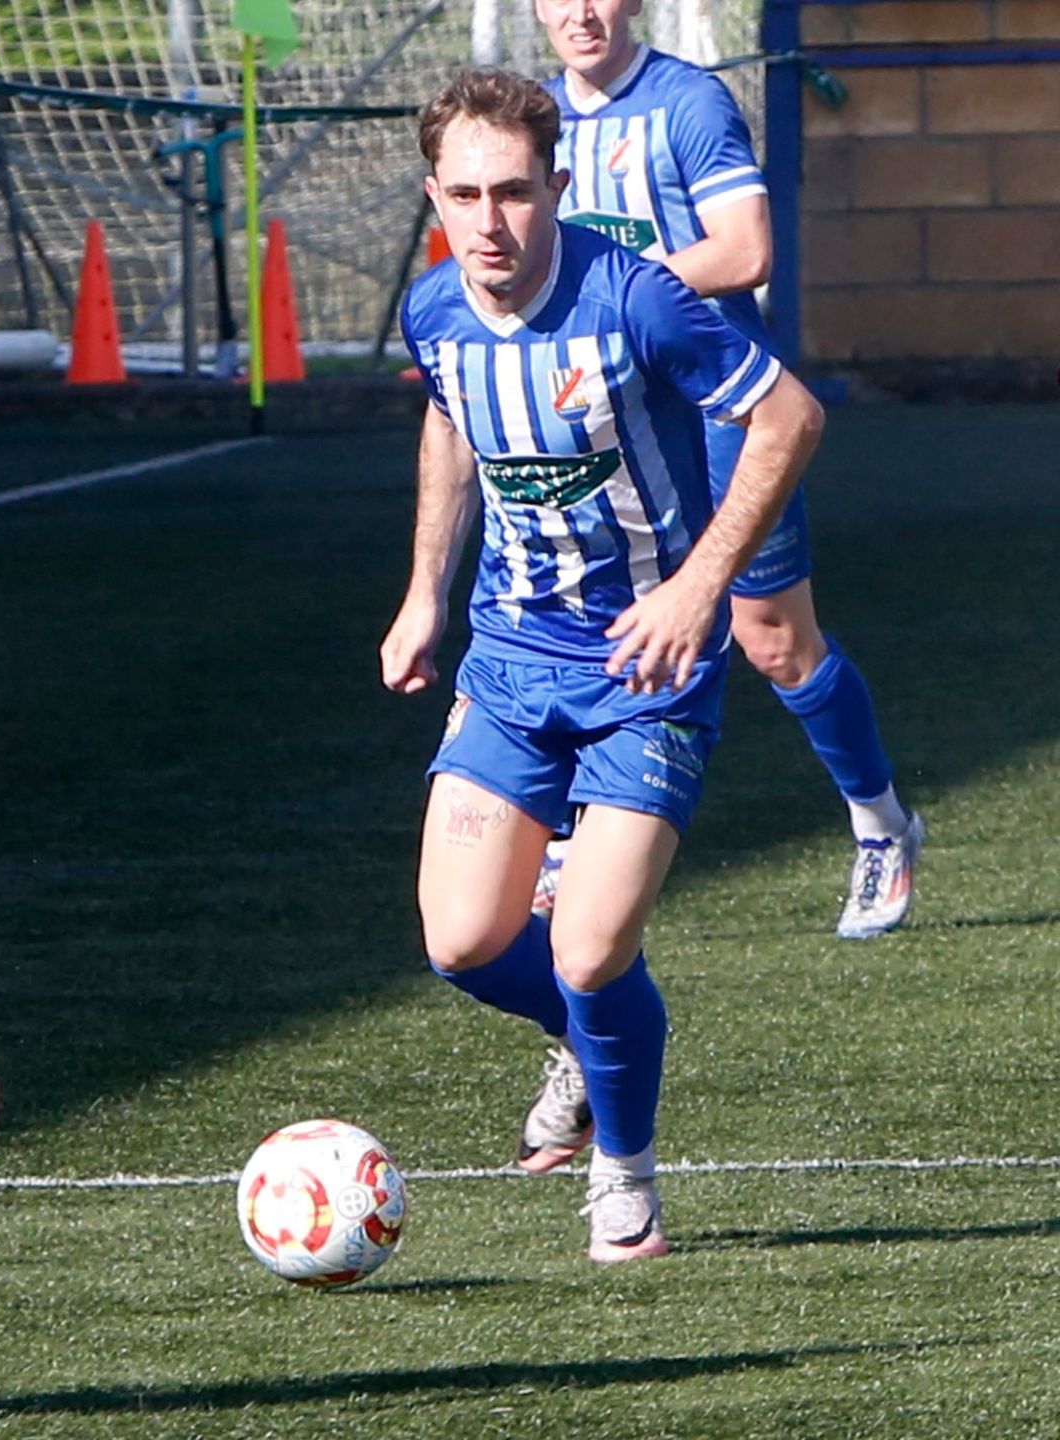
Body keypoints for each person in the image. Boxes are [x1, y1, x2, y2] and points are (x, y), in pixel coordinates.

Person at [383, 68, 825, 1259]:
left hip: (645, 668)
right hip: (511, 662)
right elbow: (448, 420)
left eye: (514, 192)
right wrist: (425, 592)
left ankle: (624, 1173)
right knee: (462, 943)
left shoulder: (636, 300)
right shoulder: (434, 312)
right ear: (434, 196)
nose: (489, 221)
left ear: (557, 186)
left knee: (586, 948)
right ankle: (584, 1041)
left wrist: (699, 587)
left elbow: (789, 417)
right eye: (465, 195)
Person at [534, 0, 922, 941]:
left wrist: (617, 295)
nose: (579, 11)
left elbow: (746, 251)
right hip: (602, 419)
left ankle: (881, 823)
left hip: (721, 411)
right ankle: (571, 832)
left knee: (774, 638)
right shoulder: (532, 121)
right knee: (593, 617)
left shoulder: (688, 101)